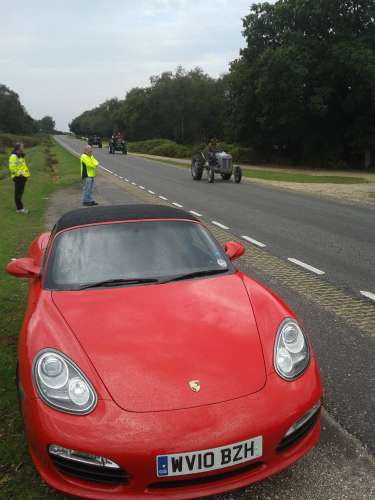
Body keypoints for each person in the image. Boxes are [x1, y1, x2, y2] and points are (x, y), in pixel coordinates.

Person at [9, 143, 30, 214]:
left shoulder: (20, 155)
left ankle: (19, 208)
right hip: (19, 178)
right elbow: (12, 168)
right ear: (18, 148)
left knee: (20, 193)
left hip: (22, 177)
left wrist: (24, 175)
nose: (23, 147)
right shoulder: (13, 156)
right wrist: (19, 175)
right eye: (22, 147)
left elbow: (22, 166)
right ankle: (20, 209)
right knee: (18, 193)